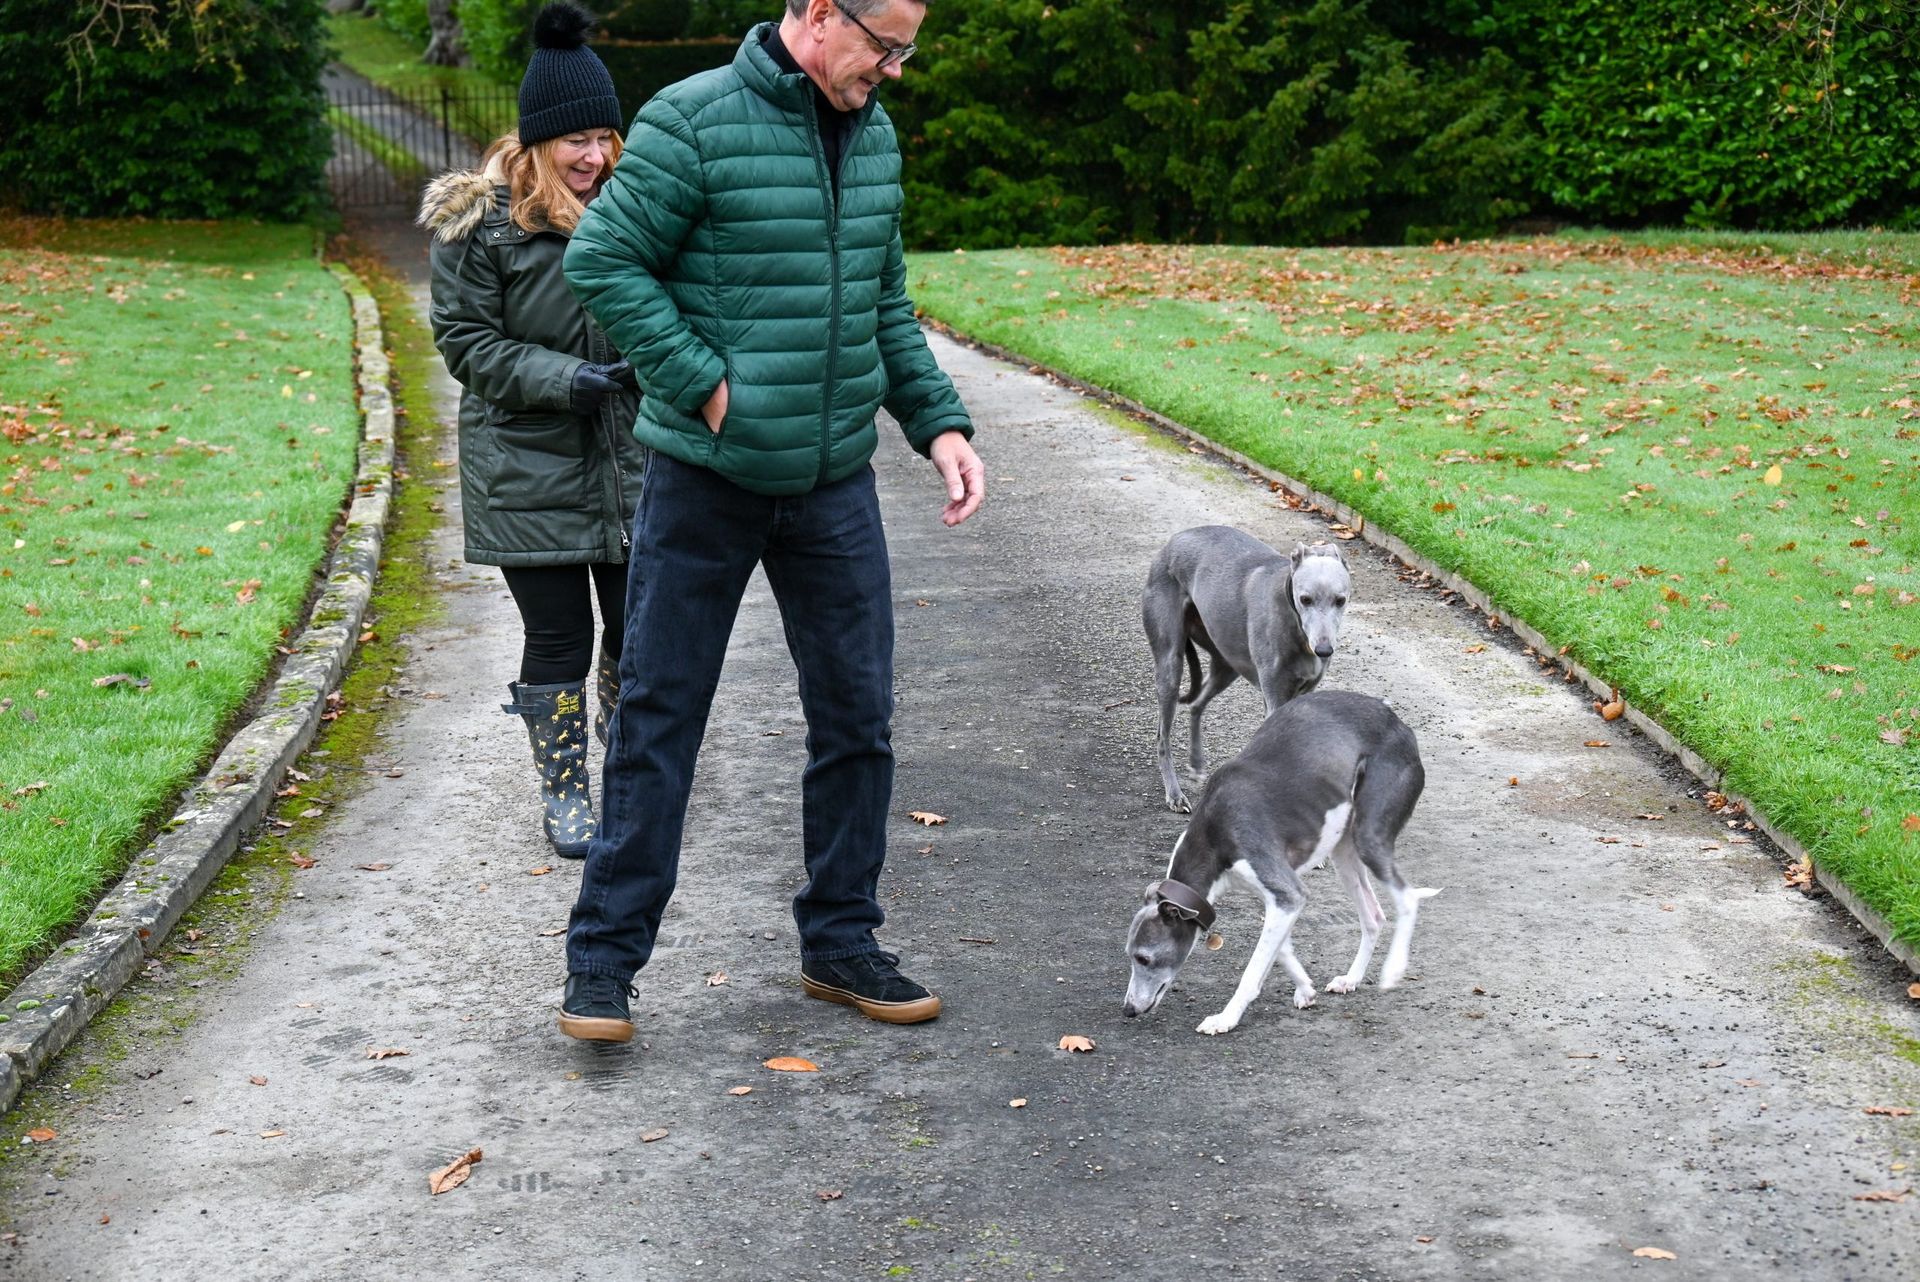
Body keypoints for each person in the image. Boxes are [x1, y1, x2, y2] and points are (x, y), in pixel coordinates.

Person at [556, 0, 984, 1043]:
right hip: (705, 480)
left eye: (905, 51)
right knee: (662, 715)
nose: (893, 70)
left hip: (833, 480)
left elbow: (883, 301)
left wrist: (938, 423)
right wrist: (702, 382)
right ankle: (603, 963)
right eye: (883, 46)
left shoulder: (872, 134)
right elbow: (604, 260)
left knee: (858, 716)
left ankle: (841, 940)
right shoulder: (693, 120)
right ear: (820, 14)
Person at [418, 2, 647, 859]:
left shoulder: (634, 205)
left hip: (631, 460)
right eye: (576, 142)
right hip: (527, 464)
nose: (594, 158)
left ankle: (629, 781)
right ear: (538, 140)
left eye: (605, 139)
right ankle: (565, 793)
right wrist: (569, 380)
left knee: (640, 631)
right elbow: (466, 342)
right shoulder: (483, 225)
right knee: (559, 635)